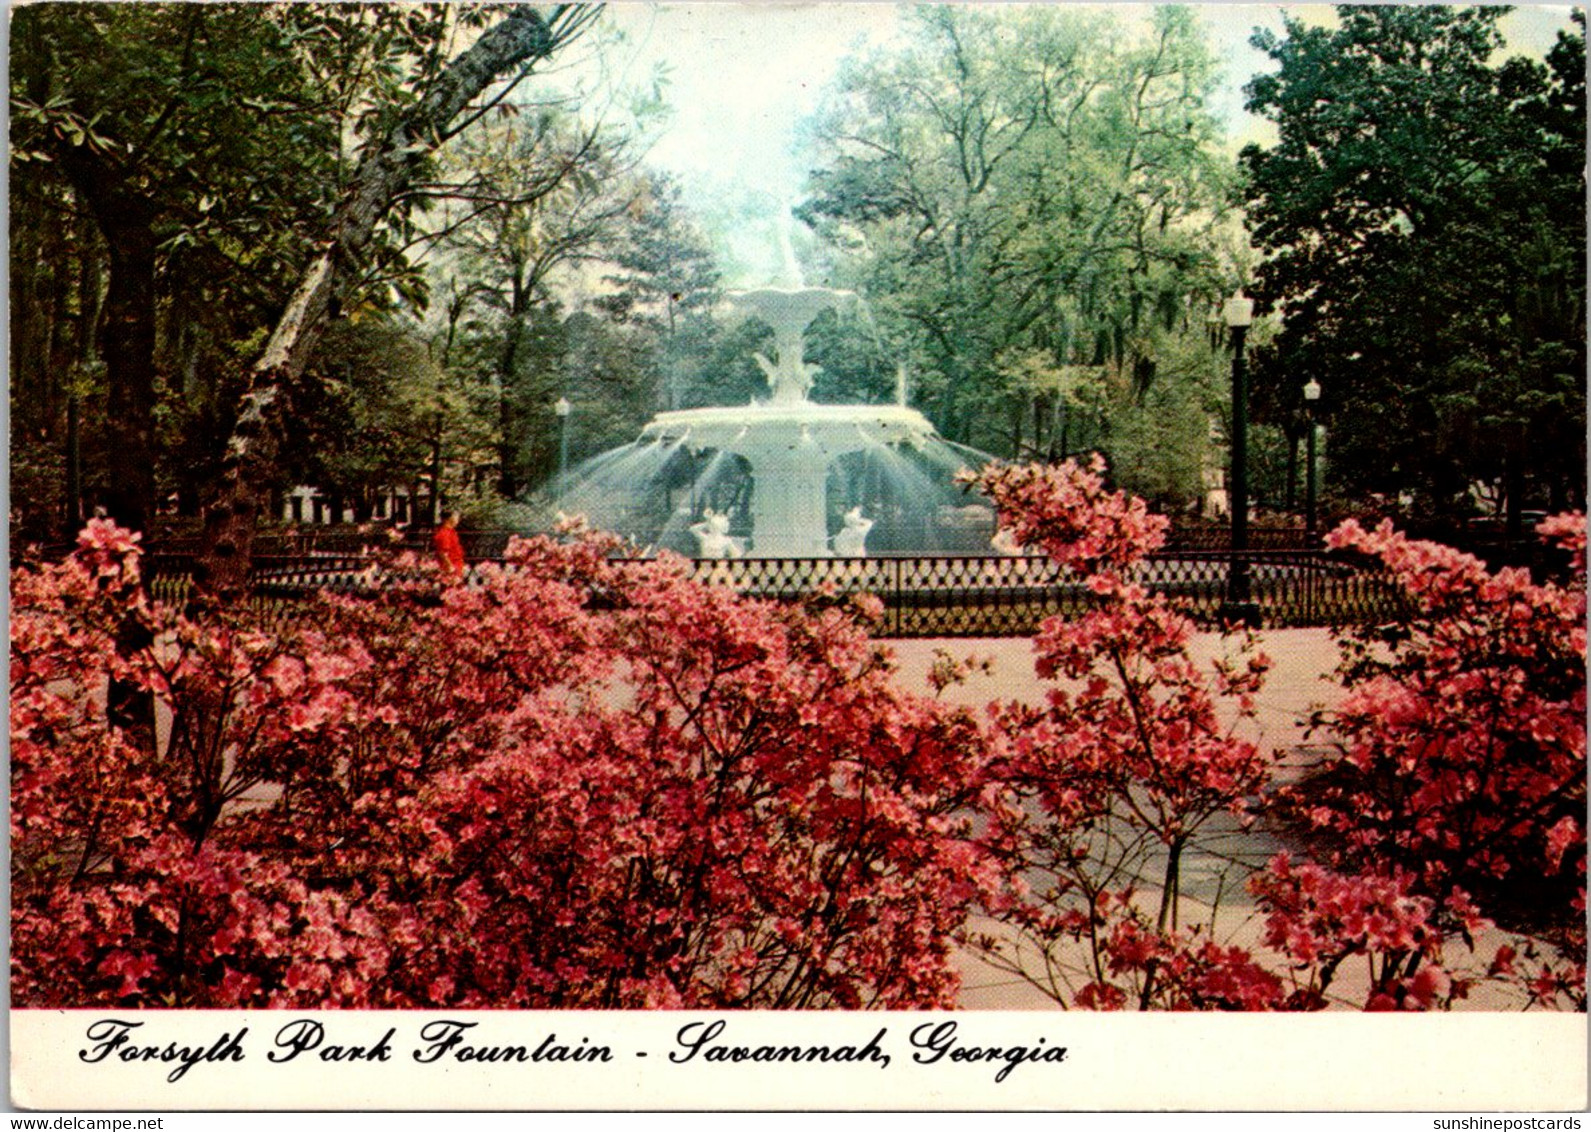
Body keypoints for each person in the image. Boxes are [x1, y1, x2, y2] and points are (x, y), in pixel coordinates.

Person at [433, 511, 466, 581]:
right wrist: (450, 567)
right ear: (448, 519)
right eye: (456, 516)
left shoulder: (451, 531)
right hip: (451, 566)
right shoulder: (444, 534)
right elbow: (442, 553)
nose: (458, 519)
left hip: (457, 565)